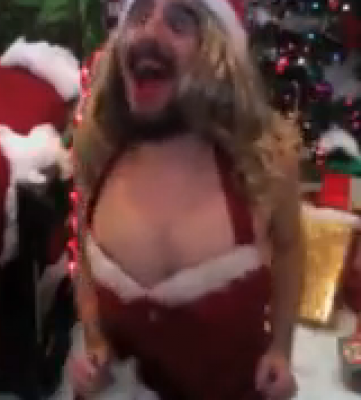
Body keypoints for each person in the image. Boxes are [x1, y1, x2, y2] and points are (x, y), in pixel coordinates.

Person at [71, 0, 304, 398]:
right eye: (138, 18)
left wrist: (281, 348)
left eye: (179, 22)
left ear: (218, 55)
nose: (148, 33)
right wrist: (94, 339)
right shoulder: (98, 151)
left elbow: (289, 249)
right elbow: (83, 261)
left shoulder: (265, 162)